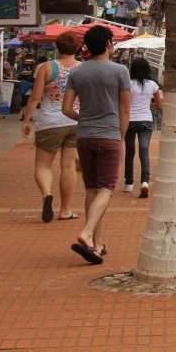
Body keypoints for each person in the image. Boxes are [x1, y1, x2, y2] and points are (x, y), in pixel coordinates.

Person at [62, 25, 131, 264]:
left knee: (92, 188)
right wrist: (120, 137)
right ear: (109, 44)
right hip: (109, 135)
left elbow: (66, 108)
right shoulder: (120, 71)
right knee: (107, 188)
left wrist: (84, 119)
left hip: (84, 136)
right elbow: (124, 109)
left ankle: (95, 244)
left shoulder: (78, 72)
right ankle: (87, 232)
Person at [22, 31, 81, 222]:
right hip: (75, 120)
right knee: (69, 166)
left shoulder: (46, 68)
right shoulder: (83, 69)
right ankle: (66, 210)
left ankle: (47, 194)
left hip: (50, 122)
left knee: (43, 166)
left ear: (57, 47)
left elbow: (35, 97)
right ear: (78, 48)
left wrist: (27, 120)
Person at [124, 58, 162, 198]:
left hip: (130, 121)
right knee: (144, 150)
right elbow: (159, 104)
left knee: (129, 151)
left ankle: (129, 183)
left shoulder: (128, 84)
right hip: (146, 120)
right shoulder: (152, 85)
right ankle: (145, 182)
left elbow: (124, 103)